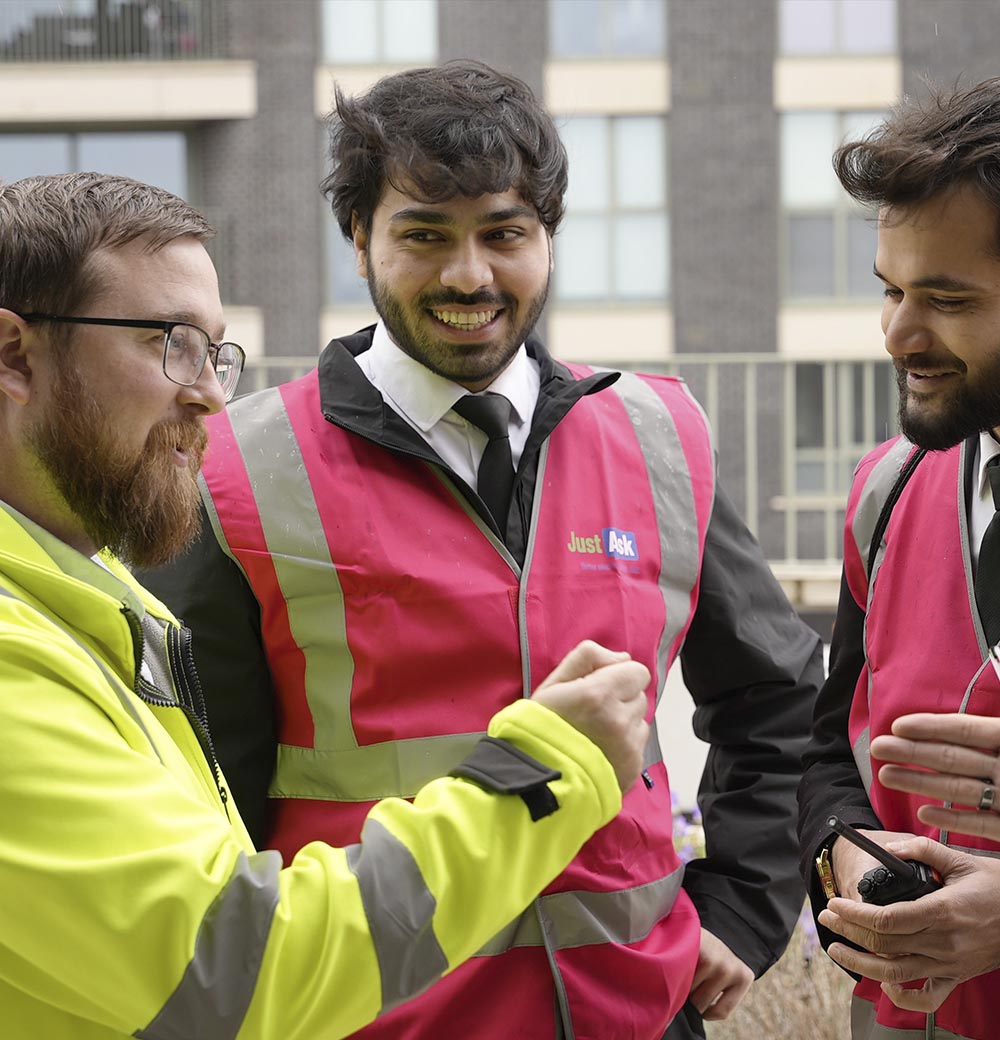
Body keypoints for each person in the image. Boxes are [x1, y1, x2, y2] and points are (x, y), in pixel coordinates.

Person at [142, 61, 824, 1040]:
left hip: (635, 1018)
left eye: (504, 233)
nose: (470, 274)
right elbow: (200, 797)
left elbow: (776, 696)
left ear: (547, 237)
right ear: (358, 237)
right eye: (424, 235)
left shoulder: (658, 432)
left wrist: (745, 911)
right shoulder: (238, 472)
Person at [0, 170, 658, 1040]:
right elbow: (241, 963)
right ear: (14, 354)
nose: (206, 393)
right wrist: (552, 767)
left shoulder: (86, 595)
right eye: (170, 341)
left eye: (214, 352)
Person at [797, 77, 1000, 1040]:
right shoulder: (884, 492)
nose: (897, 334)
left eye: (947, 300)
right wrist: (845, 850)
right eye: (891, 290)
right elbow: (829, 754)